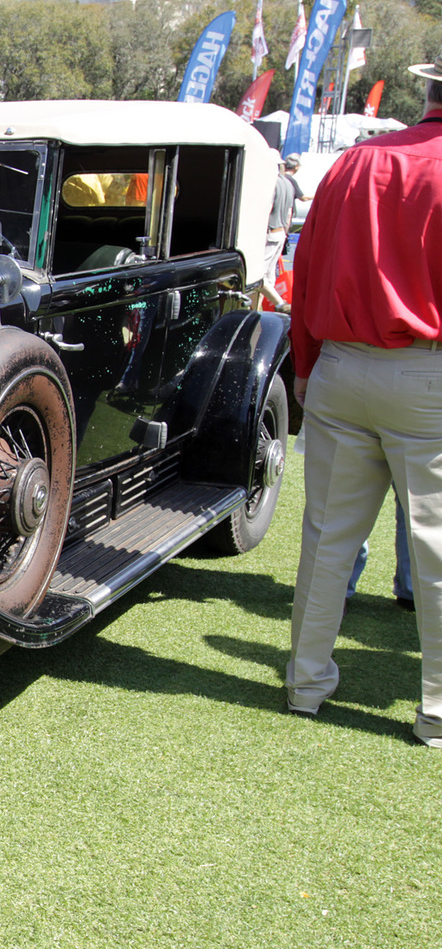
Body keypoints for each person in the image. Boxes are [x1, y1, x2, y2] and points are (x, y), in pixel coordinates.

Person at [285, 56, 442, 746]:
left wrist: (308, 366)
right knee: (436, 552)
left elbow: (306, 268)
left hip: (341, 367)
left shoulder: (354, 163)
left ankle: (305, 682)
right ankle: (435, 710)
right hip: (425, 375)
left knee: (326, 539)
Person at [258, 159, 295, 313]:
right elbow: (289, 213)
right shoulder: (288, 183)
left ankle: (279, 304)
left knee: (259, 276)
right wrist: (285, 233)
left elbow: (267, 208)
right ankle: (262, 310)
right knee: (270, 276)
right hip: (280, 232)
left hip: (270, 232)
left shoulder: (271, 184)